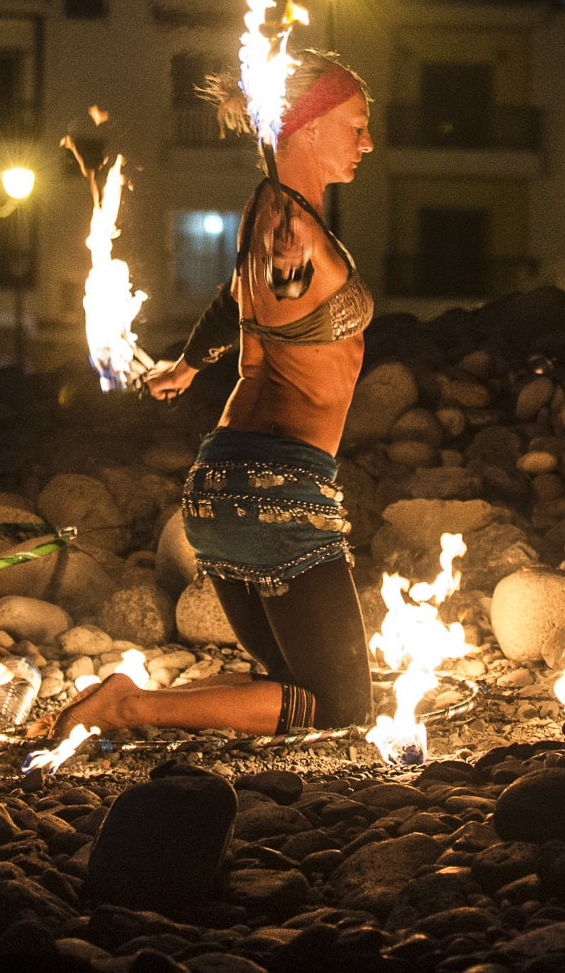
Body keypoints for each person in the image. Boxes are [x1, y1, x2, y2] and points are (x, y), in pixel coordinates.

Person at [32, 52, 376, 740]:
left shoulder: (270, 212)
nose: (367, 143)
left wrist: (188, 365)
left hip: (225, 482)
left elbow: (234, 303)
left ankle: (133, 700)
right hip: (278, 490)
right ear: (307, 127)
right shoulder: (291, 233)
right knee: (342, 709)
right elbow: (275, 290)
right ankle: (128, 707)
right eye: (356, 126)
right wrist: (283, 272)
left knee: (294, 690)